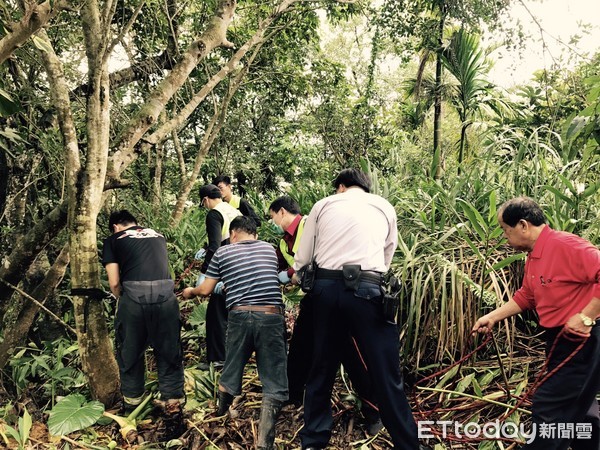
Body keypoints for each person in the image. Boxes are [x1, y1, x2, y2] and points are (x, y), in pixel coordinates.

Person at [292, 169, 419, 450]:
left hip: (325, 290)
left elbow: (303, 257)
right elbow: (387, 254)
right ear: (365, 187)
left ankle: (313, 439)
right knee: (386, 371)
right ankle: (407, 442)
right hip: (367, 288)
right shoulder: (383, 206)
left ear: (340, 187)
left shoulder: (323, 205)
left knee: (321, 367)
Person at [472, 196, 600, 450]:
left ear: (523, 225)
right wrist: (492, 317)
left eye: (505, 231)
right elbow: (527, 296)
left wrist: (587, 316)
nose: (504, 237)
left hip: (582, 340)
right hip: (560, 340)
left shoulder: (566, 245)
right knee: (582, 408)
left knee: (548, 405)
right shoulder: (535, 255)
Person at [269, 195, 383, 434]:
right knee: (301, 344)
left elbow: (315, 255)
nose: (273, 222)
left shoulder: (311, 221)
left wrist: (293, 272)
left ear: (281, 212)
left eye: (272, 217)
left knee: (350, 351)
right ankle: (293, 395)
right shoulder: (282, 242)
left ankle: (374, 411)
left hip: (336, 290)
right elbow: (280, 266)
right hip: (315, 295)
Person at [182, 216, 288, 450]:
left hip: (240, 315)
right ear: (255, 235)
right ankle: (264, 443)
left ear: (233, 235)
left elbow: (206, 290)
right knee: (274, 379)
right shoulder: (270, 250)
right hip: (271, 315)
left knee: (232, 367)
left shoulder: (223, 252)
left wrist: (190, 291)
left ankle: (220, 414)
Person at [101, 210, 185, 424]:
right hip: (166, 298)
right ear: (136, 223)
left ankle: (133, 407)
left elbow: (113, 283)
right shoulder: (158, 235)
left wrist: (123, 298)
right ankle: (173, 403)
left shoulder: (113, 240)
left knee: (130, 351)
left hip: (134, 301)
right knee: (169, 350)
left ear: (116, 227)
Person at [198, 184, 242, 367]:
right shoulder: (234, 211)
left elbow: (216, 245)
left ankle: (218, 358)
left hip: (226, 265)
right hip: (242, 262)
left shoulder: (214, 214)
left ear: (206, 199)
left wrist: (206, 273)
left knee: (216, 314)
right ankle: (236, 354)